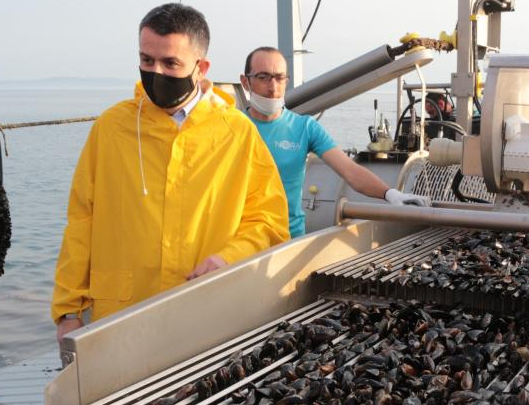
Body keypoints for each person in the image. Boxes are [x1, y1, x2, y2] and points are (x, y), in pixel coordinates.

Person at [52, 6, 290, 344]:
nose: (156, 72)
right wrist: (68, 311)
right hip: (119, 318)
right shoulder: (111, 128)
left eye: (170, 63)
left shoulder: (237, 132)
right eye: (147, 60)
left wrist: (229, 257)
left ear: (201, 67)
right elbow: (81, 221)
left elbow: (269, 221)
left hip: (205, 314)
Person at [240, 47, 430, 239]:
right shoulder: (231, 127)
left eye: (279, 77)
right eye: (263, 77)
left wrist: (391, 194)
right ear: (245, 82)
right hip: (242, 239)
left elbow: (351, 171)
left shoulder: (304, 127)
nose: (273, 87)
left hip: (287, 237)